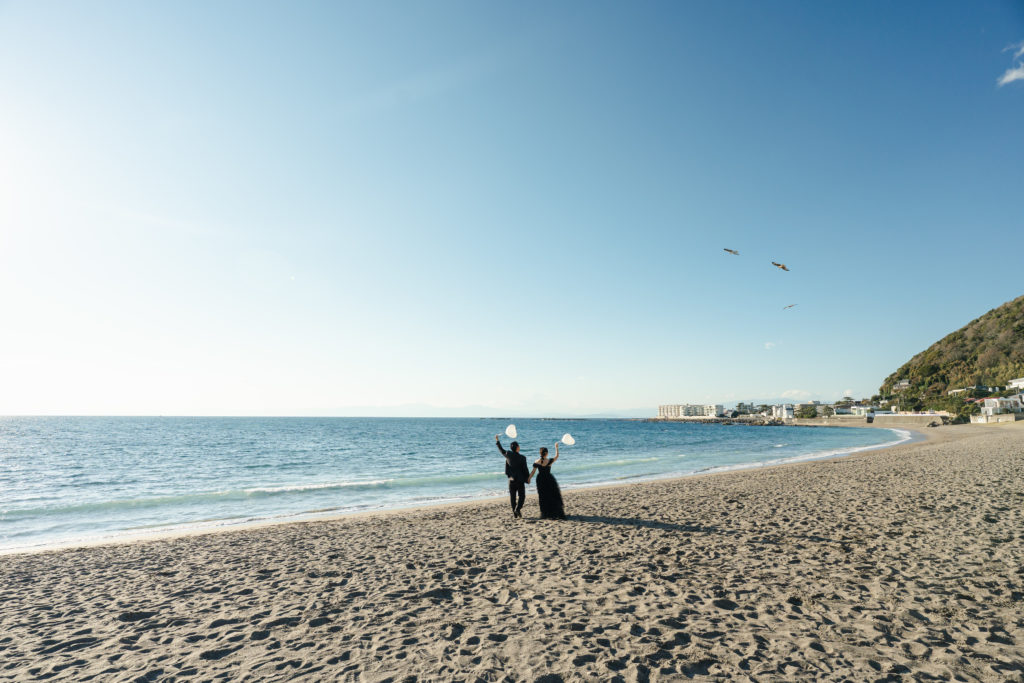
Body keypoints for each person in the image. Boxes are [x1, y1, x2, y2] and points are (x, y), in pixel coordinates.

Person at [495, 435, 531, 518]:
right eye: (518, 446)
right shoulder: (522, 458)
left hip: (511, 480)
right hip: (520, 480)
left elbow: (501, 450)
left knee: (513, 497)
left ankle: (514, 513)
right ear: (517, 448)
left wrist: (497, 440)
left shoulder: (508, 454)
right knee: (522, 496)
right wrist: (527, 478)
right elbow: (525, 469)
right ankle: (517, 509)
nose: (519, 447)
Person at [530, 443, 565, 520]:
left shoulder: (537, 461)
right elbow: (557, 456)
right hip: (549, 479)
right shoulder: (549, 461)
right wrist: (556, 447)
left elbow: (533, 472)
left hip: (540, 480)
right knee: (552, 495)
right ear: (546, 453)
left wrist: (529, 478)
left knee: (543, 497)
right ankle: (553, 512)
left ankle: (545, 513)